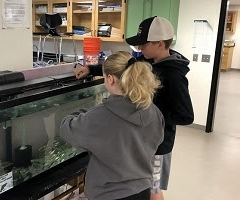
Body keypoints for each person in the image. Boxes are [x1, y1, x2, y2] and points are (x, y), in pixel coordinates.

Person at [74, 16, 194, 200]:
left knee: (154, 188)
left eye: (143, 44)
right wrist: (92, 70)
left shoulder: (174, 75)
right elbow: (125, 69)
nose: (139, 48)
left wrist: (152, 113)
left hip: (158, 144)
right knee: (145, 186)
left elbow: (186, 116)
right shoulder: (149, 61)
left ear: (160, 44)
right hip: (143, 139)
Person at [60, 51, 164, 200]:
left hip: (107, 194)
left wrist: (87, 111)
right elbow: (157, 145)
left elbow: (66, 128)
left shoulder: (98, 117)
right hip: (142, 191)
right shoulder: (154, 111)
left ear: (110, 79)